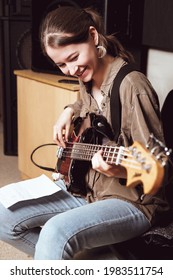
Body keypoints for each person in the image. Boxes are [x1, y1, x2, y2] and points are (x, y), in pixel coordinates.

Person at [0, 6, 171, 260]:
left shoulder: (133, 87)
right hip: (88, 189)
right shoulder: (87, 79)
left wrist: (121, 169)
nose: (70, 70)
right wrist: (68, 110)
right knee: (3, 214)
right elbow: (86, 106)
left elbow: (160, 170)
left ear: (93, 36)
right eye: (61, 64)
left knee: (55, 233)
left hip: (134, 202)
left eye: (73, 57)